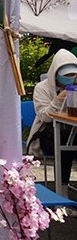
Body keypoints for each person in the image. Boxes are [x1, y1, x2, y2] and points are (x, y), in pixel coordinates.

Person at [27, 48, 77, 192]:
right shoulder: (42, 89)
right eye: (66, 75)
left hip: (73, 131)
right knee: (64, 146)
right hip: (47, 133)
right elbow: (44, 116)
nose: (70, 79)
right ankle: (62, 191)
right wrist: (58, 100)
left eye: (73, 75)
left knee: (70, 141)